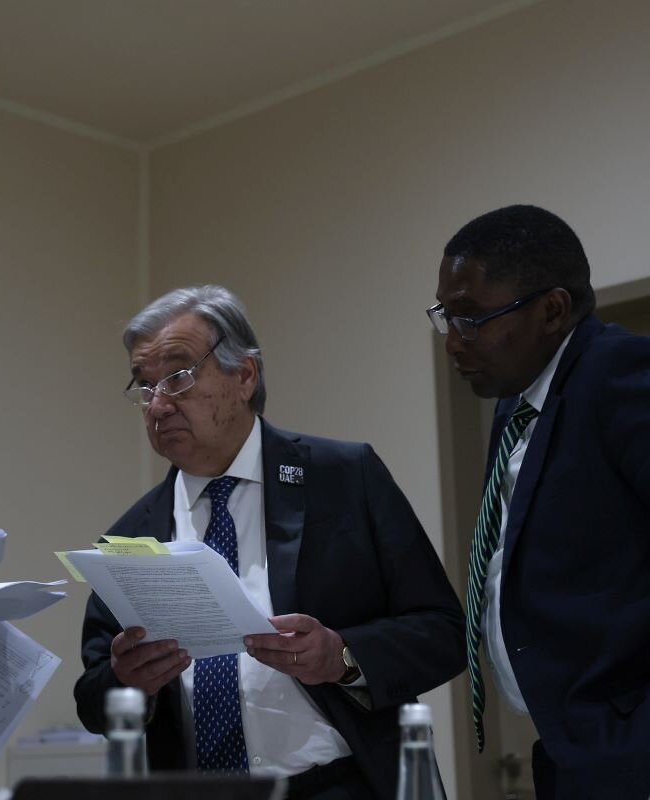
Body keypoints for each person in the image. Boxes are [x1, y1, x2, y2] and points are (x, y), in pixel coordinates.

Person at [74, 285, 465, 799]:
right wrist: (128, 682)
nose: (159, 405)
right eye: (145, 387)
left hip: (340, 785)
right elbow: (92, 698)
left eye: (178, 376)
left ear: (244, 375)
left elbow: (443, 633)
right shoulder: (130, 536)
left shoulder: (345, 478)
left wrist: (343, 657)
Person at [431, 205, 650, 798]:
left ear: (552, 310)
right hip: (566, 750)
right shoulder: (515, 405)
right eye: (445, 317)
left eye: (472, 318)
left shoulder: (619, 374)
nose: (453, 343)